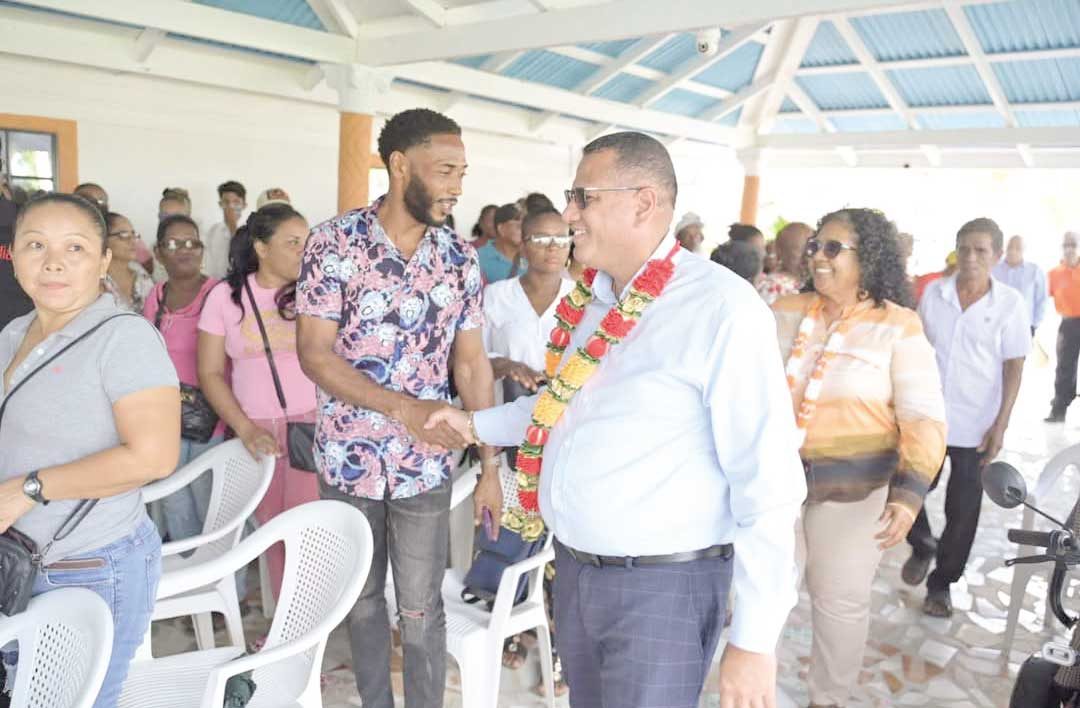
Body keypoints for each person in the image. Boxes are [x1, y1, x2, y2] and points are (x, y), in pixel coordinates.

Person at [429, 131, 806, 708]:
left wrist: (754, 642)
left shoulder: (720, 310)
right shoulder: (594, 300)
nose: (569, 214)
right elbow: (558, 406)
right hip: (578, 573)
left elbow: (768, 482)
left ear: (643, 202)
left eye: (583, 198)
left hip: (660, 590)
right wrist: (472, 426)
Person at [295, 108, 499, 708]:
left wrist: (490, 466)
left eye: (462, 173)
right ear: (400, 165)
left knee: (420, 606)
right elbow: (315, 354)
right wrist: (402, 408)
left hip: (425, 466)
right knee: (359, 601)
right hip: (349, 458)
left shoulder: (460, 258)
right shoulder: (334, 243)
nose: (457, 187)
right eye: (445, 171)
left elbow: (471, 364)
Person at [0, 193, 180, 707]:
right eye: (35, 245)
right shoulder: (16, 333)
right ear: (12, 254)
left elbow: (153, 458)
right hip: (21, 559)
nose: (53, 262)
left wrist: (27, 489)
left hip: (86, 566)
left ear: (103, 261)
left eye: (74, 248)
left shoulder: (124, 339)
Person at [772, 209, 947, 707]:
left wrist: (909, 495)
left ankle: (827, 700)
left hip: (855, 494)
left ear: (868, 257)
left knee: (839, 602)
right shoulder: (784, 310)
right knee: (763, 595)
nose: (819, 258)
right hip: (776, 487)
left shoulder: (898, 326)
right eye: (815, 247)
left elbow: (924, 417)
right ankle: (752, 691)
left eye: (833, 248)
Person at [902, 217, 1030, 617]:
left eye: (981, 250)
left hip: (977, 424)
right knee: (906, 488)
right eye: (965, 248)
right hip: (928, 418)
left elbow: (1014, 367)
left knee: (964, 510)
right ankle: (922, 543)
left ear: (995, 255)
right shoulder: (934, 295)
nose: (971, 258)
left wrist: (1001, 424)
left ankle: (941, 585)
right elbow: (916, 352)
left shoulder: (1009, 304)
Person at [197, 203, 318, 600]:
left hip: (313, 425)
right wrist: (246, 429)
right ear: (262, 248)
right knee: (273, 532)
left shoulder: (315, 293)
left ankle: (315, 619)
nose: (305, 250)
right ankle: (288, 624)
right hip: (257, 431)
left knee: (311, 531)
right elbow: (210, 373)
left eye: (307, 241)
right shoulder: (225, 298)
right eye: (293, 242)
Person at [482, 207, 574, 695]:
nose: (552, 247)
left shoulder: (584, 301)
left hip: (565, 444)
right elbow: (472, 359)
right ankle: (511, 630)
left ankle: (558, 652)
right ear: (522, 244)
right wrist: (505, 365)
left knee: (561, 547)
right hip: (513, 438)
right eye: (540, 238)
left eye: (562, 239)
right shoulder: (498, 298)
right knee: (514, 537)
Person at [143, 215, 222, 542]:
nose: (184, 250)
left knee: (210, 503)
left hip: (210, 419)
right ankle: (189, 577)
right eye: (174, 244)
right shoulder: (156, 295)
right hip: (166, 418)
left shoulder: (218, 292)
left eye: (192, 243)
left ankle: (226, 581)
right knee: (174, 502)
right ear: (158, 252)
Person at [1046, 231, 1080, 423]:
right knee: (1064, 367)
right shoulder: (1054, 274)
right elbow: (1040, 299)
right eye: (1066, 245)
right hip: (1068, 324)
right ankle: (1059, 409)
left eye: (1073, 244)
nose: (1069, 249)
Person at [994, 235, 1048, 338]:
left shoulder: (1035, 271)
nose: (1013, 251)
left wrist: (1034, 325)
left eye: (1017, 248)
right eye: (1010, 247)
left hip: (1023, 328)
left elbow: (1042, 300)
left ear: (1024, 250)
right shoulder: (994, 269)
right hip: (996, 327)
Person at [103, 212, 155, 313]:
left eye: (133, 234)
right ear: (103, 240)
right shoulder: (94, 282)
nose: (132, 241)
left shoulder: (142, 277)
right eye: (123, 235)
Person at [757, 222, 812, 304]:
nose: (807, 256)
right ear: (780, 252)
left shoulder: (811, 283)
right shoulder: (772, 287)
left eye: (812, 247)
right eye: (799, 249)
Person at [203, 180, 247, 279]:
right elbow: (208, 265)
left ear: (244, 205)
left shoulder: (252, 230)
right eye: (226, 202)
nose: (231, 207)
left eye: (236, 202)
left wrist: (233, 228)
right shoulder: (213, 231)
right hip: (217, 286)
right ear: (220, 204)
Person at [477, 203, 524, 284]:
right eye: (519, 226)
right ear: (501, 229)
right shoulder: (478, 258)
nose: (525, 230)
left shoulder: (531, 257)